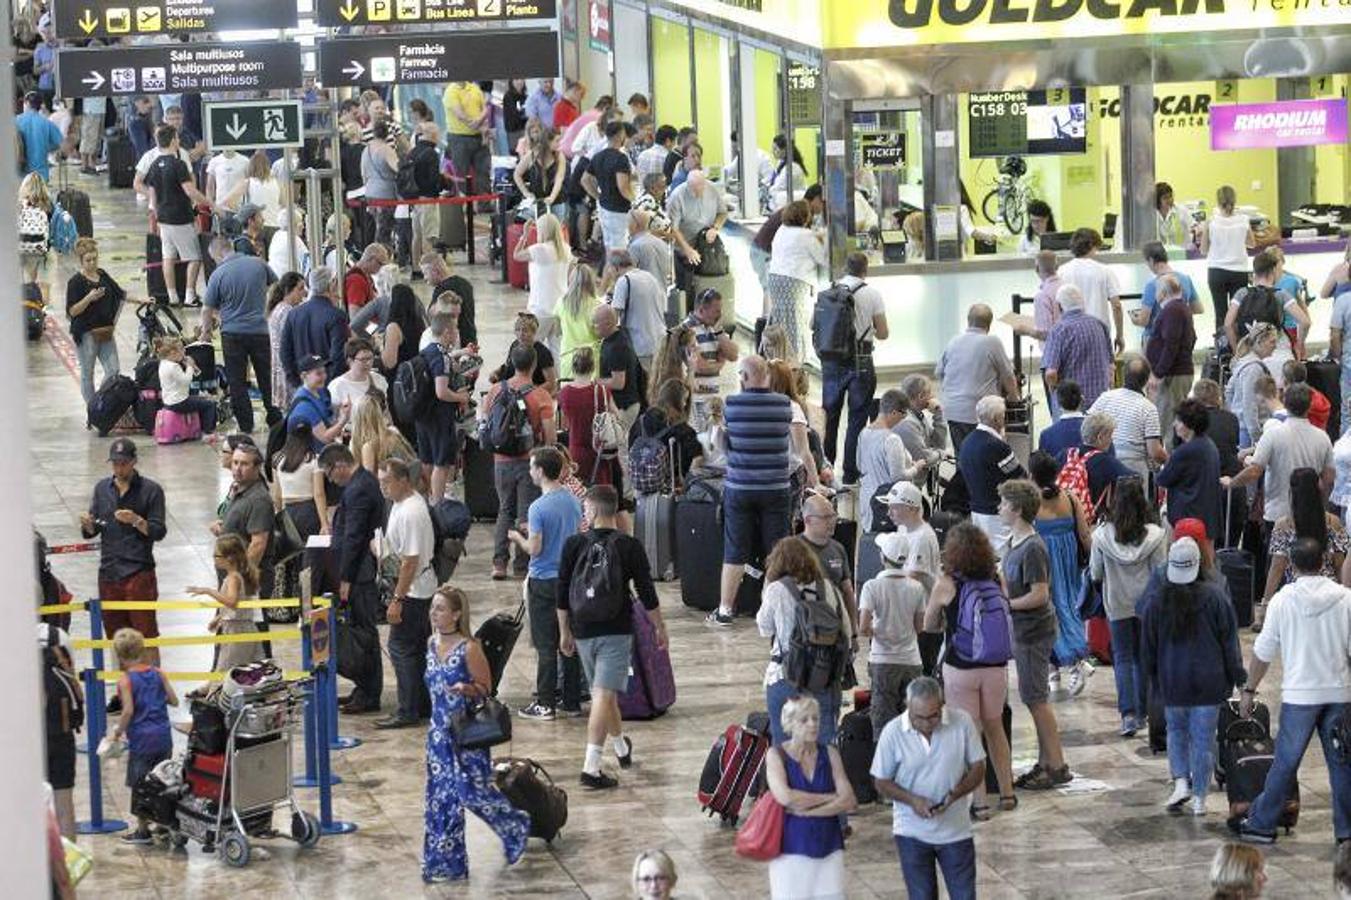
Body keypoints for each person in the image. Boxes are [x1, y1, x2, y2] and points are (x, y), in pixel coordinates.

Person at [1231, 537, 1351, 845]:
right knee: (1342, 765)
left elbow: (1263, 651)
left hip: (1300, 696)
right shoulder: (1345, 599)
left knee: (1285, 764)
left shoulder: (1283, 601)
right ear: (1324, 560)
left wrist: (1249, 690)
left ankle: (1261, 824)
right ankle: (1346, 831)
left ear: (1292, 566)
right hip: (1339, 693)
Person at [558, 485, 666, 789]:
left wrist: (564, 631)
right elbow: (646, 591)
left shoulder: (573, 545)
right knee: (603, 696)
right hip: (616, 630)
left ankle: (620, 748)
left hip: (581, 630)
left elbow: (562, 592)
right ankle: (591, 768)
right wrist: (659, 626)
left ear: (591, 511)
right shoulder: (629, 546)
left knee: (604, 694)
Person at [421, 585, 530, 881]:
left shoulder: (470, 648)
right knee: (441, 800)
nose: (434, 613)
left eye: (441, 609)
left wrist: (467, 689)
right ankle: (445, 863)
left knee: (472, 794)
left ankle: (515, 825)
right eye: (433, 607)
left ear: (457, 615)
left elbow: (486, 688)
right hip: (438, 737)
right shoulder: (431, 643)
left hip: (466, 735)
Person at [1138, 537, 1244, 817]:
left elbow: (1147, 647)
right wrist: (1239, 678)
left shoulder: (1157, 600)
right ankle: (1200, 799)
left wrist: (1152, 679)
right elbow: (1229, 643)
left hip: (1173, 681)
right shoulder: (1216, 597)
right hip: (1211, 682)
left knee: (1176, 732)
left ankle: (1181, 782)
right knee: (1204, 739)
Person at [922, 524, 1015, 818]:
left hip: (961, 666)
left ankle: (981, 803)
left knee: (970, 734)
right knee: (995, 728)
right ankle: (1008, 793)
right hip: (996, 667)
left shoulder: (947, 583)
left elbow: (929, 624)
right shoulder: (996, 578)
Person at [873, 677, 984, 900]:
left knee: (964, 895)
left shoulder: (961, 722)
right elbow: (881, 782)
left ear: (942, 706)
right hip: (911, 833)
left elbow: (978, 767)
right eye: (918, 718)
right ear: (908, 707)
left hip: (956, 832)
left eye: (933, 716)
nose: (926, 723)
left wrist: (956, 794)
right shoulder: (892, 732)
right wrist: (913, 800)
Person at [1223, 382, 1335, 596]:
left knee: (1276, 566)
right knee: (1310, 565)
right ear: (1309, 406)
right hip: (1311, 513)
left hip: (1277, 512)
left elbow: (1255, 470)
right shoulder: (1322, 437)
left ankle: (1272, 605)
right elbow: (1328, 478)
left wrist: (1232, 482)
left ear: (1285, 402)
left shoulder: (1274, 434)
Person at [706, 356, 793, 626]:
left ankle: (725, 610)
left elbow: (726, 444)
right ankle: (769, 609)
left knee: (735, 549)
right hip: (776, 487)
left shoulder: (732, 405)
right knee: (776, 549)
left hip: (740, 487)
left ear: (743, 377)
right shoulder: (784, 405)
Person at [996, 480, 1070, 790]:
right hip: (1024, 630)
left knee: (1037, 699)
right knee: (1032, 697)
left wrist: (1006, 605)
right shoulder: (1014, 542)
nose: (999, 508)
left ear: (1015, 509)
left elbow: (1040, 594)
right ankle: (1045, 761)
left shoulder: (1033, 547)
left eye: (1002, 503)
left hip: (1034, 630)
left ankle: (1056, 764)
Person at [79, 438, 167, 666]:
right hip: (109, 572)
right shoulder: (101, 489)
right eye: (115, 463)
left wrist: (137, 520)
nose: (119, 468)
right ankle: (124, 689)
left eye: (124, 463)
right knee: (117, 636)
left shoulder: (151, 491)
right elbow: (94, 529)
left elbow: (158, 531)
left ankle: (152, 688)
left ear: (134, 462)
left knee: (145, 634)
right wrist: (88, 525)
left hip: (138, 571)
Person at [1091, 478, 1167, 736]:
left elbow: (1095, 572)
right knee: (1144, 657)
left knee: (1122, 658)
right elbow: (1161, 571)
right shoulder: (1155, 536)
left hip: (1117, 601)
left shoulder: (1101, 536)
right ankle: (1144, 711)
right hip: (1148, 603)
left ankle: (1128, 715)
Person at [757, 537, 852, 744]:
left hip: (786, 673)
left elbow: (764, 628)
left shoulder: (776, 590)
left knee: (783, 745)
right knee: (825, 744)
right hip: (824, 674)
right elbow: (846, 631)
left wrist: (766, 589)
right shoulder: (830, 588)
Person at [513, 448, 584, 722]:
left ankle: (545, 702)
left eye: (532, 467)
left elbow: (535, 548)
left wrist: (519, 539)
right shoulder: (572, 500)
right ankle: (572, 700)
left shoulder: (537, 507)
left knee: (545, 644)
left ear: (541, 471)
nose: (530, 471)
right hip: (568, 578)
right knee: (568, 640)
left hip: (543, 580)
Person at [763, 695, 855, 899]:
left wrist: (808, 812)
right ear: (789, 724)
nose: (813, 725)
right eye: (804, 720)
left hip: (829, 848)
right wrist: (831, 798)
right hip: (790, 850)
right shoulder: (776, 756)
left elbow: (849, 800)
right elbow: (786, 797)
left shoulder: (830, 754)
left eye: (816, 718)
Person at [481, 343, 558, 579]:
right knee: (527, 513)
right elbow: (550, 437)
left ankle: (499, 563)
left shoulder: (494, 391)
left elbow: (485, 424)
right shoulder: (541, 396)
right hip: (529, 463)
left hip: (500, 461)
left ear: (512, 363)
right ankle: (522, 566)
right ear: (534, 365)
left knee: (504, 510)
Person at [318, 444, 384, 713]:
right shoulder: (360, 483)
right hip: (358, 572)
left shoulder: (358, 489)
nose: (331, 480)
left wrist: (345, 578)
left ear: (341, 465)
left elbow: (354, 537)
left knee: (363, 636)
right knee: (362, 631)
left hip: (360, 574)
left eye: (330, 474)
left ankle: (369, 693)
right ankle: (364, 687)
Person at [372, 458, 437, 729]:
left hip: (413, 590)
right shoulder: (401, 505)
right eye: (380, 482)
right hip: (414, 585)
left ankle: (408, 709)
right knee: (415, 649)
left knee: (401, 650)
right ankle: (420, 704)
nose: (383, 487)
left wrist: (397, 599)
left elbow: (410, 560)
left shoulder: (412, 511)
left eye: (387, 482)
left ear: (403, 480)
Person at [821, 252, 889, 485]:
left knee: (830, 416)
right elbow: (883, 333)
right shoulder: (872, 294)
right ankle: (851, 472)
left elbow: (814, 324)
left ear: (845, 268)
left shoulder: (829, 290)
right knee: (857, 418)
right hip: (861, 359)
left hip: (832, 361)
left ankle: (826, 468)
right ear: (865, 269)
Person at [200, 236, 281, 433]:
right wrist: (268, 310)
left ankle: (246, 424)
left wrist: (206, 332)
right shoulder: (258, 264)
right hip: (260, 331)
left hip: (232, 334)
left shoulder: (218, 274)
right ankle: (274, 417)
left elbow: (206, 309)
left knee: (236, 381)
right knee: (266, 376)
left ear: (218, 253)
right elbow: (277, 286)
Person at [1028, 451, 1093, 695]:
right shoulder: (1070, 497)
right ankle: (1055, 669)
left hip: (1042, 562)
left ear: (1032, 474)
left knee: (1049, 612)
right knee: (1069, 608)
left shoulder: (1031, 502)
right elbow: (1085, 535)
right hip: (1068, 564)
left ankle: (1073, 662)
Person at [108, 628, 177, 846]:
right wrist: (155, 700)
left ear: (120, 656)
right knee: (162, 780)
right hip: (163, 736)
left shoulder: (126, 680)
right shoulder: (158, 673)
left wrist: (117, 732)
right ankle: (164, 825)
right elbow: (173, 700)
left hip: (142, 740)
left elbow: (128, 710)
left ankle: (142, 829)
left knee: (141, 784)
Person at [1259, 467, 1350, 631]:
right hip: (1329, 596)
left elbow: (1277, 567)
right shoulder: (1333, 523)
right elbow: (1339, 566)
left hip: (1297, 595)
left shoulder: (1284, 525)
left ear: (1292, 493)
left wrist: (1265, 604)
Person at [861, 531, 927, 737]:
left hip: (883, 660)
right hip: (911, 660)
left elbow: (863, 627)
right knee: (912, 722)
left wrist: (881, 632)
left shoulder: (872, 586)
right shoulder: (916, 587)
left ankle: (885, 765)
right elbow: (919, 626)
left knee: (882, 724)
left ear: (882, 557)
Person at [935, 304, 1017, 452]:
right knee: (984, 456)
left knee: (962, 455)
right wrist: (1013, 398)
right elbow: (1008, 375)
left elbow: (939, 372)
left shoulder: (954, 341)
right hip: (981, 412)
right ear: (989, 324)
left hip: (953, 410)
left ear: (968, 320)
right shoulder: (992, 342)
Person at [146, 125, 212, 306]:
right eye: (177, 138)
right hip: (180, 218)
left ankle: (172, 296)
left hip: (163, 219)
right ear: (173, 140)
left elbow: (153, 195)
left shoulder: (153, 165)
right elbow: (189, 190)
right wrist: (210, 203)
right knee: (195, 257)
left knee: (168, 257)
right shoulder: (178, 164)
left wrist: (156, 217)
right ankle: (190, 296)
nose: (179, 141)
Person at [957, 395, 1026, 555]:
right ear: (997, 419)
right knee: (1004, 559)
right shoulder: (997, 446)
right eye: (1004, 416)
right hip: (998, 514)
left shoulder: (966, 442)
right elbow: (1020, 476)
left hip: (976, 510)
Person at [416, 313, 473, 503]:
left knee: (427, 460)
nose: (457, 333)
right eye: (455, 329)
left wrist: (463, 353)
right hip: (439, 416)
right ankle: (438, 504)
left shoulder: (427, 350)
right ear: (448, 331)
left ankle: (427, 501)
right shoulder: (442, 357)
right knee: (441, 463)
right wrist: (460, 397)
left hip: (422, 414)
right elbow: (441, 392)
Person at [1224, 249, 1306, 377]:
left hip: (1249, 356)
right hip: (1278, 354)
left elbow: (1228, 324)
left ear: (1255, 271)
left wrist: (1237, 350)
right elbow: (1305, 321)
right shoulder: (1281, 294)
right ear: (1273, 271)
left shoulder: (1242, 293)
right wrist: (1299, 345)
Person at [188, 534, 263, 671]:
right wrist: (220, 617)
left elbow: (232, 602)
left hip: (236, 632)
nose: (214, 559)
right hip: (244, 627)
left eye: (216, 556)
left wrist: (208, 591)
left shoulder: (233, 578)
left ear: (229, 558)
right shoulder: (238, 576)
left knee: (228, 671)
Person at [65, 237, 126, 406]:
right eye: (88, 260)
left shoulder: (102, 274)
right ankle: (93, 409)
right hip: (85, 332)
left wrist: (142, 300)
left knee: (113, 371)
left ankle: (99, 400)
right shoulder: (75, 282)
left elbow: (120, 294)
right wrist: (89, 298)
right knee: (87, 373)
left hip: (105, 330)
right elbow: (72, 311)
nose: (92, 263)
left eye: (94, 259)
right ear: (81, 260)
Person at [1087, 355, 1167, 481]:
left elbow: (1087, 427)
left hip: (1104, 463)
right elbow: (1155, 452)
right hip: (1134, 468)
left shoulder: (1105, 397)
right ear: (1146, 380)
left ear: (1123, 375)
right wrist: (1171, 461)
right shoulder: (1148, 408)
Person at [764, 200, 826, 359]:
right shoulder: (806, 235)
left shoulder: (781, 230)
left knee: (781, 321)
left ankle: (778, 358)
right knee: (795, 324)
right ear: (805, 216)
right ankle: (794, 361)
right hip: (795, 282)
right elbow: (823, 259)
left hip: (775, 279)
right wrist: (823, 240)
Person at [857, 389, 926, 532]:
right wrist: (916, 467)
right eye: (903, 414)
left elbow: (859, 465)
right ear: (894, 412)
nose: (903, 418)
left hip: (867, 499)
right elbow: (898, 476)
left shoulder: (864, 434)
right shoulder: (892, 439)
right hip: (887, 503)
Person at [1041, 283, 1114, 413]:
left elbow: (1051, 373)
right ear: (1082, 303)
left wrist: (1054, 389)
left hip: (1070, 405)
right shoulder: (1100, 325)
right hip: (1100, 403)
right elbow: (1110, 367)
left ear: (1059, 306)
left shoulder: (1059, 330)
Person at [1156, 398, 1223, 539]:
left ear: (1189, 424)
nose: (1175, 424)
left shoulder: (1185, 451)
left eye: (1178, 421)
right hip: (1207, 516)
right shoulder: (1209, 445)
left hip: (1187, 518)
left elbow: (1163, 479)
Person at [1144, 272, 1199, 442]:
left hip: (1172, 375)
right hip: (1178, 372)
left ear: (1162, 292)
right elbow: (1192, 338)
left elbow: (1171, 344)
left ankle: (1168, 463)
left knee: (1167, 424)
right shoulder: (1182, 308)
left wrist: (1158, 373)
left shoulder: (1172, 310)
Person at [280, 267, 350, 392]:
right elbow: (338, 356)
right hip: (328, 386)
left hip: (303, 383)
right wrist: (329, 384)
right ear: (332, 284)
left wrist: (296, 381)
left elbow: (285, 352)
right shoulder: (336, 315)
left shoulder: (294, 314)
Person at [1057, 227, 1124, 354]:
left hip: (1070, 332)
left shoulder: (1061, 271)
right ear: (1092, 246)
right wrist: (1119, 335)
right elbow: (1116, 306)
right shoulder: (1105, 271)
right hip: (1099, 332)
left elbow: (1057, 305)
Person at [1200, 184, 1256, 336]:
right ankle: (1239, 348)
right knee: (1238, 313)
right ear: (1235, 201)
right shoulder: (1244, 219)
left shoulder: (1211, 222)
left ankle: (1222, 349)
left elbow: (1203, 250)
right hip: (1239, 271)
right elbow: (1252, 243)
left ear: (1218, 202)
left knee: (1220, 313)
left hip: (1216, 271)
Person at [558, 347, 617, 487]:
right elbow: (616, 417)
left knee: (578, 491)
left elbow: (563, 423)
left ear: (573, 366)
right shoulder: (602, 391)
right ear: (593, 367)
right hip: (599, 450)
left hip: (575, 449)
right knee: (600, 494)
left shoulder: (564, 393)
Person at [684, 287, 739, 429]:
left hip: (714, 399)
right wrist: (719, 364)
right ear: (702, 310)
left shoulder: (715, 328)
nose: (720, 315)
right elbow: (699, 366)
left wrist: (719, 332)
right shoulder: (686, 330)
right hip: (696, 400)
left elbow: (733, 355)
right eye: (716, 311)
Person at [515, 214, 571, 351]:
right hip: (560, 308)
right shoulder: (565, 249)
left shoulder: (540, 249)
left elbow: (516, 255)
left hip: (540, 308)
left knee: (529, 349)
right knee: (557, 351)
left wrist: (525, 235)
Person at [665, 169, 726, 295]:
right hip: (685, 247)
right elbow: (673, 228)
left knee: (708, 287)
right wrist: (687, 250)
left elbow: (722, 212)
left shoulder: (712, 190)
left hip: (707, 246)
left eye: (700, 189)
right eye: (693, 190)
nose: (697, 194)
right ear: (687, 185)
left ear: (705, 184)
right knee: (686, 288)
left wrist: (715, 228)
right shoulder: (677, 196)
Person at [606, 250, 668, 370]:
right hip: (660, 342)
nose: (609, 272)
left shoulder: (624, 281)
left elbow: (614, 316)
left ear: (616, 268)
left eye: (609, 268)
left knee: (644, 385)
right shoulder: (650, 277)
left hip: (640, 346)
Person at [584, 120, 636, 252]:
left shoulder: (598, 156)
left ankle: (608, 270)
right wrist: (635, 201)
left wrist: (597, 196)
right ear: (620, 135)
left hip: (604, 206)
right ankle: (618, 272)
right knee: (620, 248)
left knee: (608, 246)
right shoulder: (620, 158)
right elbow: (622, 187)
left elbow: (585, 179)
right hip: (619, 209)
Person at [1135, 241, 1201, 344]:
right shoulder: (1186, 279)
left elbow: (1144, 320)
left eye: (1146, 262)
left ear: (1151, 261)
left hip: (1156, 340)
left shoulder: (1152, 285)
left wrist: (1135, 319)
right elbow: (1198, 309)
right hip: (1182, 337)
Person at [155, 337, 218, 433]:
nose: (184, 352)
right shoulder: (174, 367)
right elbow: (187, 381)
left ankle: (200, 427)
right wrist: (189, 366)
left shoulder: (163, 364)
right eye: (182, 349)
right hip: (179, 402)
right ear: (173, 353)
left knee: (200, 399)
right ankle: (208, 431)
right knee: (210, 404)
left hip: (168, 401)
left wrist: (191, 367)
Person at [266, 272, 308, 412]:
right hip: (288, 371)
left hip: (281, 369)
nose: (304, 293)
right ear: (288, 290)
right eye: (300, 288)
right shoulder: (288, 312)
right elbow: (291, 343)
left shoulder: (278, 309)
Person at [492, 312, 559, 395]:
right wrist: (496, 372)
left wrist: (528, 392)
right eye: (517, 330)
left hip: (534, 395)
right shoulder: (515, 345)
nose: (521, 334)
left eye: (525, 330)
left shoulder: (543, 352)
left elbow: (551, 383)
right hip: (513, 391)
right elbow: (508, 364)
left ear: (534, 332)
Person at [327, 337, 387, 427]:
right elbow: (332, 420)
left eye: (370, 358)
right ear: (349, 361)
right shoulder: (337, 386)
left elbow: (386, 412)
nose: (368, 363)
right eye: (363, 360)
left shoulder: (379, 380)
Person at [359, 119, 400, 247]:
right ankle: (382, 256)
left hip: (370, 192)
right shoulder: (386, 150)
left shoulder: (366, 150)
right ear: (387, 134)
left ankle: (375, 253)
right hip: (386, 193)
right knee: (384, 231)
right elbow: (397, 168)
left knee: (376, 227)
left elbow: (363, 173)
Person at [894, 374, 948, 472]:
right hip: (902, 485)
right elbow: (924, 459)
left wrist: (938, 414)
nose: (933, 396)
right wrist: (941, 454)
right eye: (930, 392)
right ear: (921, 396)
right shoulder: (907, 423)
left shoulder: (916, 414)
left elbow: (938, 443)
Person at [424, 251, 477, 346]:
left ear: (435, 271)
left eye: (425, 273)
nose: (425, 278)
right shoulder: (466, 284)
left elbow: (433, 317)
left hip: (454, 344)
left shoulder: (442, 289)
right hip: (471, 339)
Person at [1194, 378, 1243, 480]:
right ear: (1218, 398)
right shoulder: (1231, 418)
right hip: (1228, 476)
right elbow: (1234, 444)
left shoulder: (1188, 420)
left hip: (1199, 477)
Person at [15, 92, 63, 182]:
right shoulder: (47, 123)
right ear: (40, 106)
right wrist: (44, 146)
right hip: (41, 175)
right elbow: (59, 144)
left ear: (27, 103)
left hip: (20, 175)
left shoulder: (16, 121)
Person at [1037, 381, 1086, 461]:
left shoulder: (1046, 435)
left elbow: (1043, 467)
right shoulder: (1095, 431)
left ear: (1058, 403)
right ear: (1082, 399)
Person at [344, 243, 389, 317]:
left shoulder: (367, 276)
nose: (381, 268)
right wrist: (378, 327)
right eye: (380, 264)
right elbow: (355, 318)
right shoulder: (357, 281)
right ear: (371, 259)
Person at [267, 209, 310, 279]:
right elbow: (308, 263)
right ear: (294, 225)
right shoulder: (294, 239)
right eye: (301, 222)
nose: (303, 226)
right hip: (290, 282)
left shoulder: (276, 236)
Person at [1154, 182, 1190, 247]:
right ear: (1158, 200)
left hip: (1181, 252)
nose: (1170, 200)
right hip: (1161, 254)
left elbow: (1192, 226)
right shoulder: (1152, 214)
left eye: (1170, 196)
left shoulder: (1181, 210)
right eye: (1165, 198)